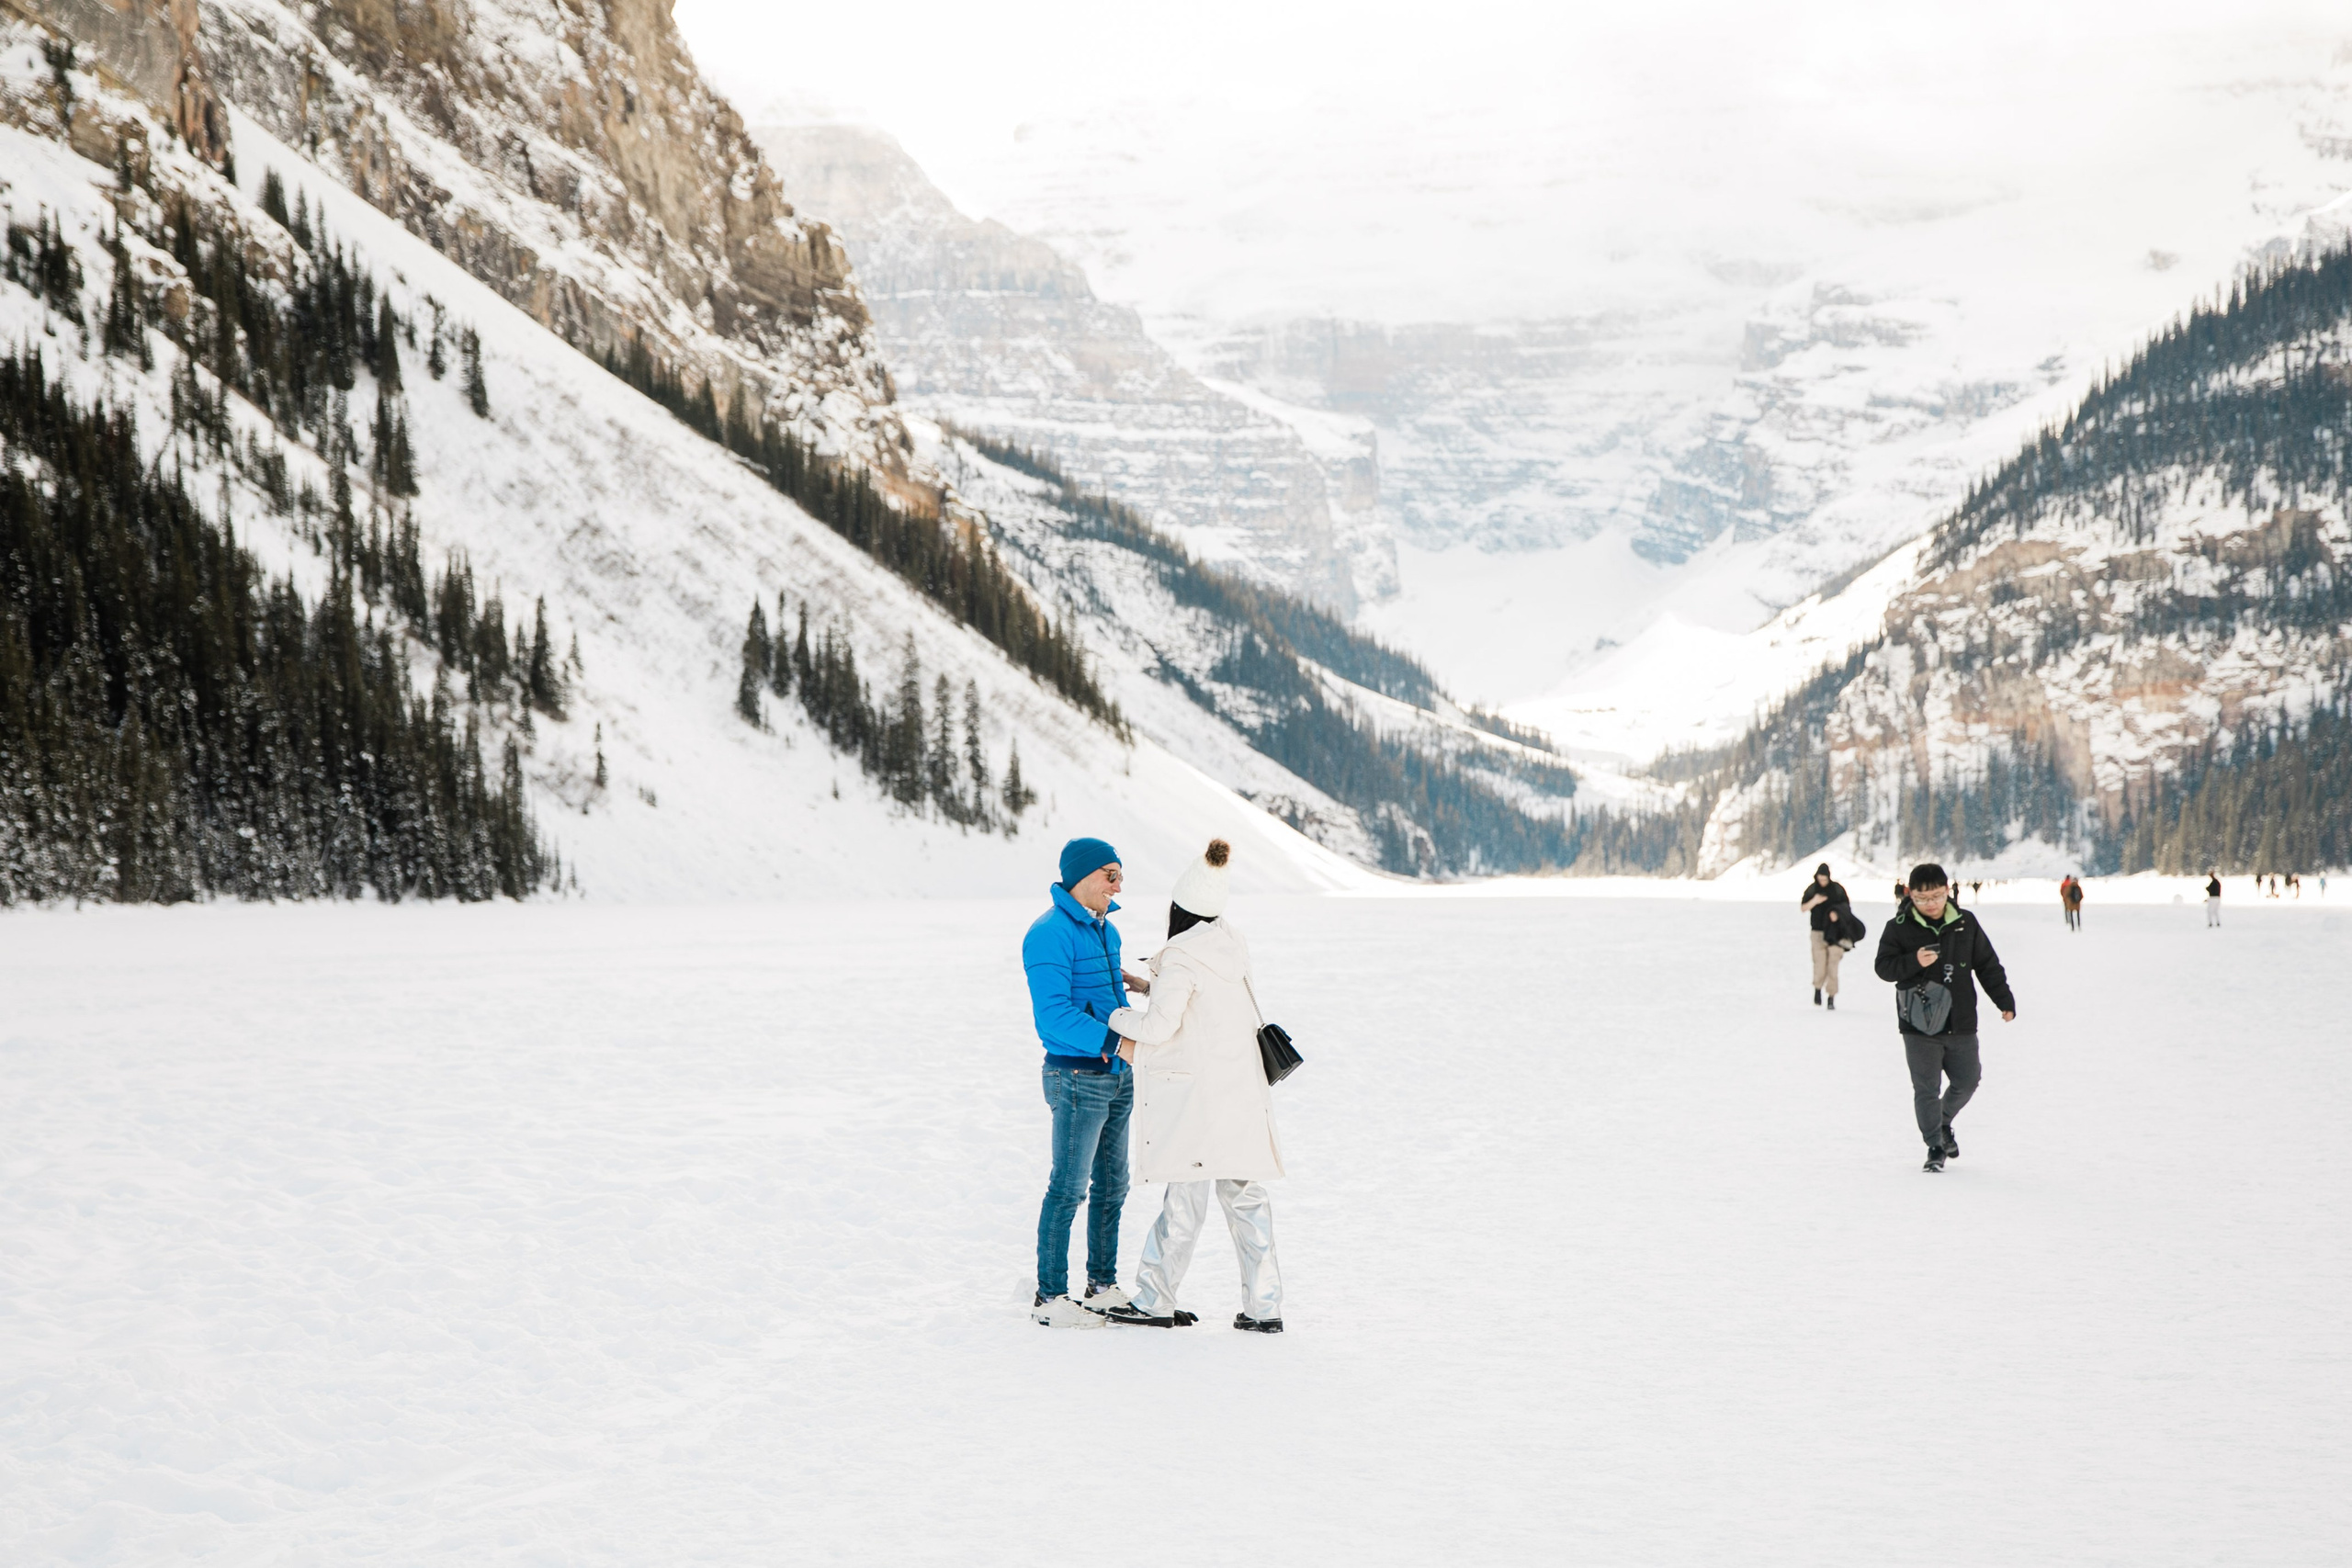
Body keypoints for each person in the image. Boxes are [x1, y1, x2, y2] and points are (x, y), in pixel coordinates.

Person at [1096, 839, 1289, 1333]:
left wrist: (1114, 1016)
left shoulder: (1181, 958)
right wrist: (1148, 985)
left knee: (1184, 1201)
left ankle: (1155, 1299)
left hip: (1199, 1101)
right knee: (1247, 1202)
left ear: (1179, 910)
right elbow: (1207, 1004)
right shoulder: (1230, 942)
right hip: (1242, 1096)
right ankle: (1264, 1309)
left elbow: (1159, 1029)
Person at [1024, 837, 1153, 1328]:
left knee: (1113, 1185)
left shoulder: (1106, 930)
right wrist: (1120, 1045)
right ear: (1080, 876)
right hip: (1077, 1077)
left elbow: (1100, 989)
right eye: (1110, 874)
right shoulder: (1049, 933)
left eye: (1120, 874)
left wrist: (1137, 985)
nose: (1119, 884)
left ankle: (1100, 1286)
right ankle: (1050, 1296)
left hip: (1115, 1075)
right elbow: (1054, 1014)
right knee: (1069, 1188)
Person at [1873, 862, 2018, 1172]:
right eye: (1923, 899)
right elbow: (1883, 968)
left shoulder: (1966, 922)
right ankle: (1935, 1146)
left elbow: (1988, 965)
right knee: (1926, 1088)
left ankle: (1942, 1121)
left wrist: (2003, 1001)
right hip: (1917, 1022)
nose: (1931, 905)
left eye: (1937, 897)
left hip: (1961, 1019)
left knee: (1968, 1080)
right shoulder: (1898, 926)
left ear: (1947, 891)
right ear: (1910, 895)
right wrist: (1913, 961)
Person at [1799, 863, 1853, 1010]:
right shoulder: (1812, 889)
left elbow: (1847, 907)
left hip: (1835, 933)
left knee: (1833, 965)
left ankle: (1831, 997)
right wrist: (1815, 901)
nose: (1822, 882)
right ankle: (1817, 989)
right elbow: (1803, 908)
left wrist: (1837, 914)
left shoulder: (1837, 889)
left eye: (1824, 879)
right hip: (1817, 932)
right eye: (1820, 879)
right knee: (1819, 964)